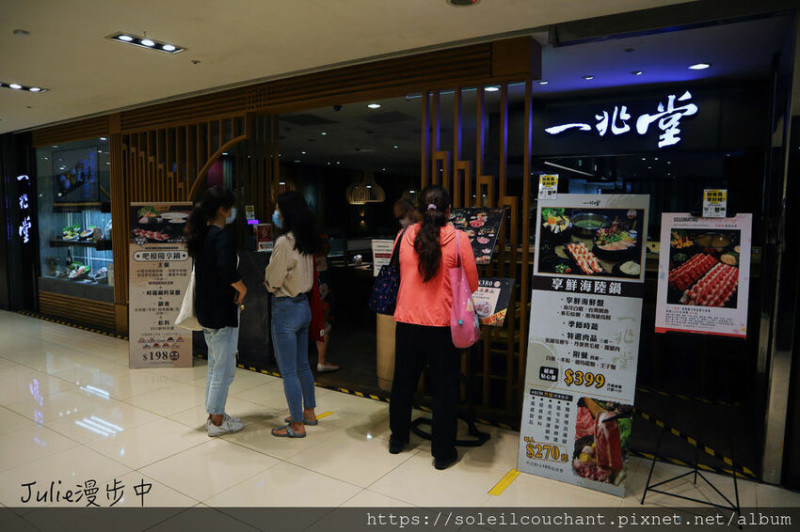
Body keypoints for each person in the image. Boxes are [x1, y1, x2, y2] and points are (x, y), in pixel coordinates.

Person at [389, 185, 478, 470]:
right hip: (443, 326)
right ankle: (442, 453)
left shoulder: (403, 236)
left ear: (418, 209)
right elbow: (472, 283)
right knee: (444, 389)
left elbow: (396, 271)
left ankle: (397, 439)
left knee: (403, 383)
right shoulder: (459, 239)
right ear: (449, 210)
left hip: (407, 321)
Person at [185, 185, 247, 437]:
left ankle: (214, 414)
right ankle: (218, 422)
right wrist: (243, 289)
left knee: (214, 366)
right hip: (222, 312)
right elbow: (227, 270)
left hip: (206, 311)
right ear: (223, 209)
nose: (232, 211)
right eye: (230, 207)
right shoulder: (221, 237)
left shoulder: (202, 235)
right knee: (223, 369)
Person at [264, 191, 321, 438]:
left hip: (286, 308)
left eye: (278, 209)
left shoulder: (284, 242)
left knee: (288, 371)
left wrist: (268, 282)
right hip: (303, 307)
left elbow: (274, 278)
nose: (276, 213)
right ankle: (309, 412)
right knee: (303, 365)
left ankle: (297, 425)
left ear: (286, 213)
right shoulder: (306, 239)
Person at [314, 237, 339, 373]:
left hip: (308, 302)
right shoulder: (323, 262)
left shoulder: (307, 261)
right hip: (322, 302)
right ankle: (321, 360)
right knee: (324, 328)